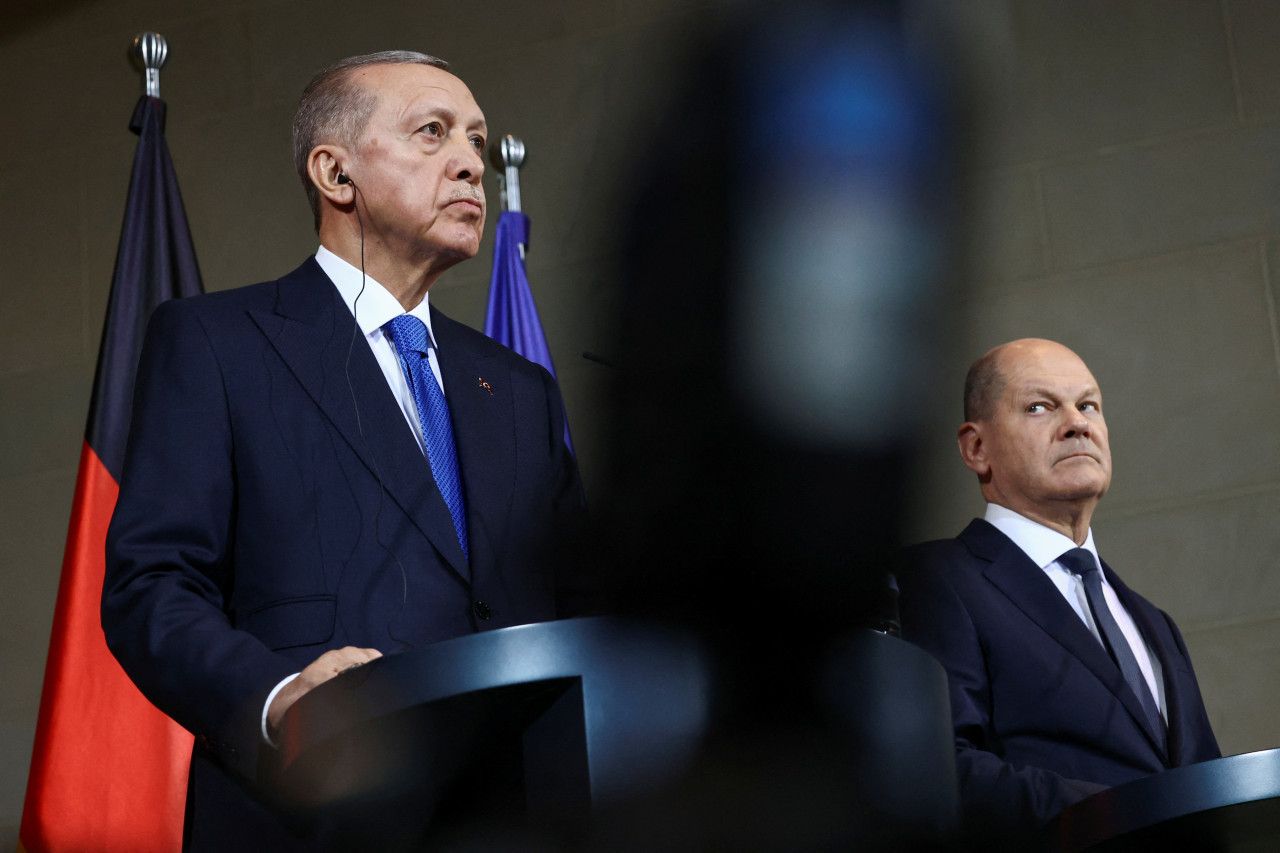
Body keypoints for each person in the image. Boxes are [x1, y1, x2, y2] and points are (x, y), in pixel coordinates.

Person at [102, 51, 583, 849]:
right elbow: (153, 582)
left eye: (476, 138)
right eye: (433, 133)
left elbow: (580, 599)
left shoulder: (521, 387)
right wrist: (280, 696)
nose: (472, 162)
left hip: (515, 815)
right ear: (335, 173)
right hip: (316, 813)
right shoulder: (217, 345)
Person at [898, 338, 1219, 843]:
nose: (1077, 423)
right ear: (976, 448)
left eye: (1088, 404)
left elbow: (1204, 791)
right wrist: (1126, 814)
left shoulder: (1155, 623)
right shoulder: (937, 578)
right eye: (1040, 407)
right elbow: (939, 770)